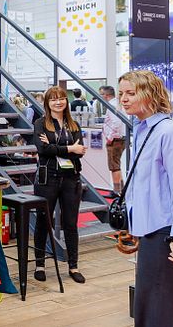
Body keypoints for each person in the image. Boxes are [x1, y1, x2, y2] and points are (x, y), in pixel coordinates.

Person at [119, 71, 173, 326]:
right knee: (165, 305)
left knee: (159, 310)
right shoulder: (142, 130)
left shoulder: (168, 133)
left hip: (167, 235)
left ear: (150, 94)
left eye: (131, 93)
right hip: (152, 231)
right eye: (121, 94)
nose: (124, 99)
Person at [33, 86, 87, 284]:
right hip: (48, 178)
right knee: (42, 221)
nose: (59, 102)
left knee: (71, 224)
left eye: (62, 98)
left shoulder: (73, 125)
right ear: (47, 103)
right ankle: (40, 264)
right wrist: (69, 148)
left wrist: (58, 147)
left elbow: (80, 150)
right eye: (54, 99)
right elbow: (43, 149)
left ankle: (73, 266)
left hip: (71, 177)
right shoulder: (40, 123)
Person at [99, 85, 126, 194]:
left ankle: (117, 191)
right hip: (118, 139)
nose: (99, 96)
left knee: (114, 166)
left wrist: (110, 137)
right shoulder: (115, 104)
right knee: (116, 165)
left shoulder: (112, 105)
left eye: (101, 94)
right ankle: (121, 190)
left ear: (106, 95)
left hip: (115, 140)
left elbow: (117, 123)